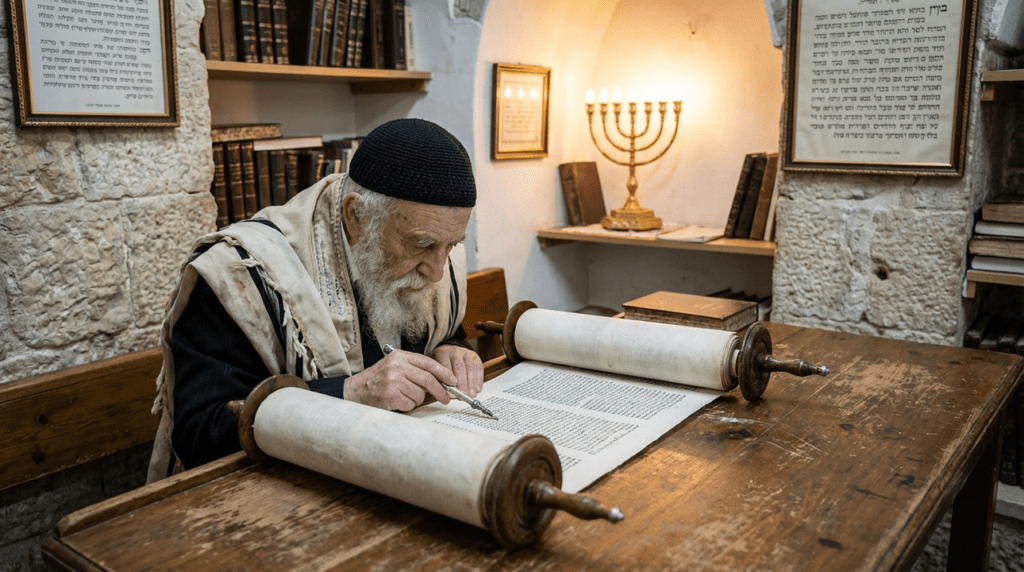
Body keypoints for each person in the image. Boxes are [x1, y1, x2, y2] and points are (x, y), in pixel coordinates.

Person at [147, 119, 483, 482]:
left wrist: (450, 347)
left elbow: (436, 330)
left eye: (451, 245)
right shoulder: (238, 273)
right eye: (421, 245)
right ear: (357, 217)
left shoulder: (433, 253)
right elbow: (201, 435)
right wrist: (350, 393)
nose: (437, 271)